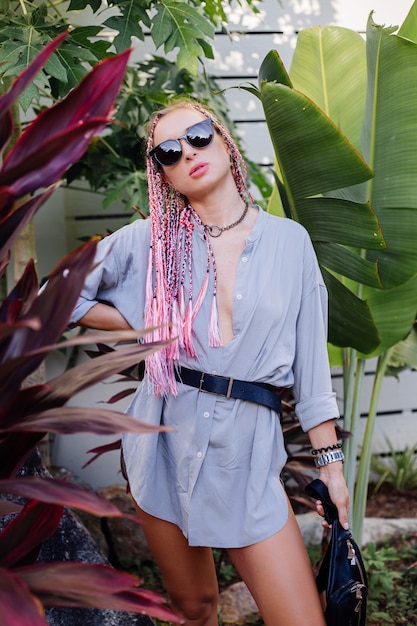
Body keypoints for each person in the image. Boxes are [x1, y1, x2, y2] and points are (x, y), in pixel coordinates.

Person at [69, 99, 350, 626]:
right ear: (164, 177)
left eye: (198, 135)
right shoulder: (153, 243)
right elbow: (63, 294)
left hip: (246, 457)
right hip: (161, 442)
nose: (188, 153)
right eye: (168, 152)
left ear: (223, 138)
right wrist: (146, 323)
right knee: (193, 607)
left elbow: (312, 372)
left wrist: (330, 466)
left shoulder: (291, 243)